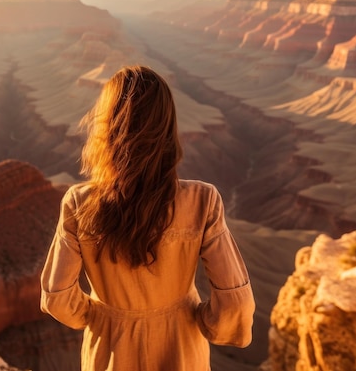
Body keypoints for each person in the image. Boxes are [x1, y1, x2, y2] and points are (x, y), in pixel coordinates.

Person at [40, 65, 255, 371]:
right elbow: (236, 304)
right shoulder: (201, 201)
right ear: (167, 128)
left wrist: (101, 316)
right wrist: (203, 321)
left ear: (107, 128)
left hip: (109, 355)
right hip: (182, 352)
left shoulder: (78, 202)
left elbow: (57, 299)